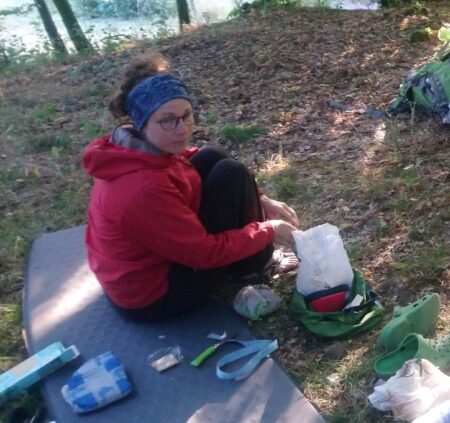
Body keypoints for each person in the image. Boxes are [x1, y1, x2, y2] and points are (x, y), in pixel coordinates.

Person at [82, 54, 300, 321]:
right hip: (153, 295)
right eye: (168, 120)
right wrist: (267, 231)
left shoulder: (133, 145)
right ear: (142, 123)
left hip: (143, 267)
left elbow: (188, 160)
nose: (182, 129)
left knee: (214, 157)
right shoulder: (142, 189)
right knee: (227, 171)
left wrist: (261, 199)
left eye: (186, 116)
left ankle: (249, 258)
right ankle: (255, 267)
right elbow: (204, 254)